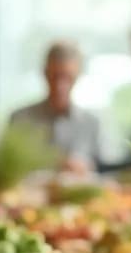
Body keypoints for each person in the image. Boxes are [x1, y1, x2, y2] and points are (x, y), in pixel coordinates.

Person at [7, 41, 101, 173]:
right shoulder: (20, 119)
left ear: (78, 76)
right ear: (45, 74)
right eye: (55, 76)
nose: (60, 86)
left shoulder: (92, 124)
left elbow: (107, 172)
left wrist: (85, 168)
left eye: (67, 77)